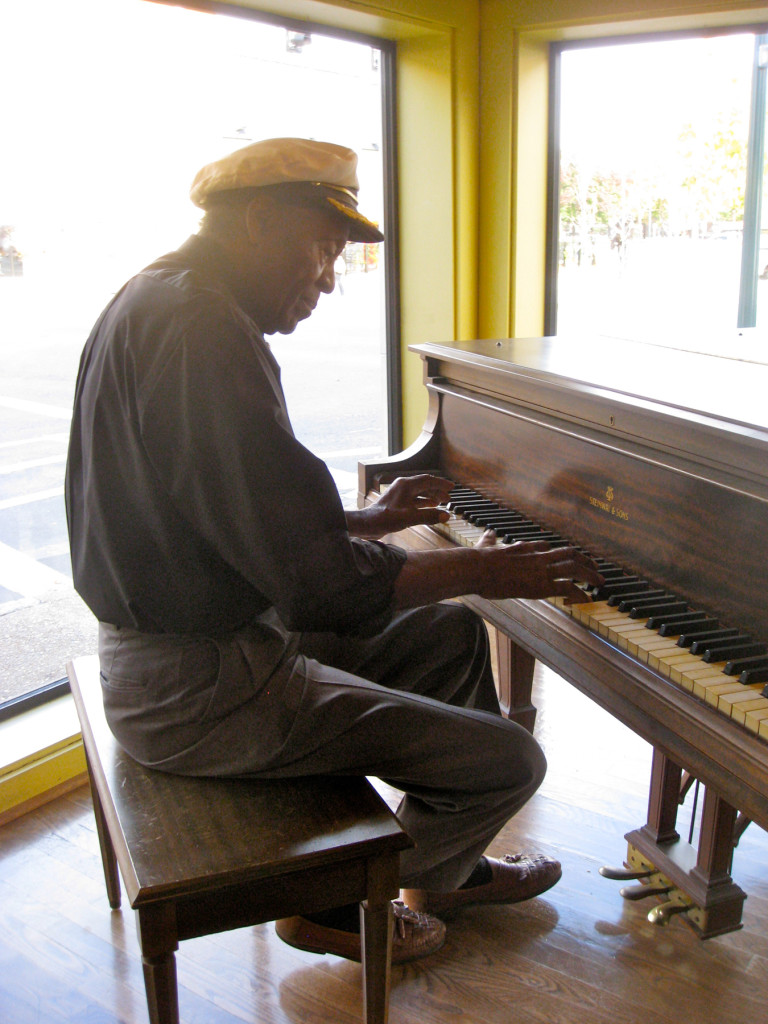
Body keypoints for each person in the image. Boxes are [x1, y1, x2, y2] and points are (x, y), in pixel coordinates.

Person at [65, 137, 603, 964]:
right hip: (201, 688)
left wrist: (364, 521)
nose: (328, 277)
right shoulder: (204, 328)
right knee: (508, 763)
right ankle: (334, 907)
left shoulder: (159, 297)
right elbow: (315, 589)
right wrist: (490, 568)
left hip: (191, 653)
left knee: (453, 635)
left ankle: (443, 873)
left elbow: (217, 508)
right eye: (322, 248)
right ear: (255, 221)